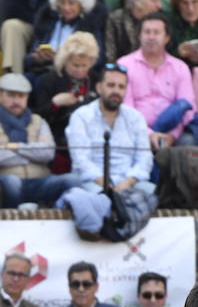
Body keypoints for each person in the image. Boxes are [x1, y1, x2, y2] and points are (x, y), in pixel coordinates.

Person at [58, 65, 156, 236]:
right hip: (92, 183)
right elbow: (81, 161)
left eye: (121, 87)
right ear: (99, 87)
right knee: (94, 199)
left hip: (129, 184)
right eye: (111, 85)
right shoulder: (81, 116)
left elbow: (144, 159)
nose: (116, 91)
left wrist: (126, 184)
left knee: (152, 192)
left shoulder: (136, 118)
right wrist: (107, 186)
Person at [0, 72, 80, 209]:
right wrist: (33, 153)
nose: (16, 101)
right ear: (0, 96)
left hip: (40, 180)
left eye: (21, 96)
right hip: (6, 178)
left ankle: (58, 218)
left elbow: (48, 154)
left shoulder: (39, 121)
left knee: (73, 180)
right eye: (11, 95)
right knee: (12, 182)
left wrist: (16, 147)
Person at [0, 0, 96, 73]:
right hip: (33, 22)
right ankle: (15, 81)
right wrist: (43, 21)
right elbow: (14, 7)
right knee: (11, 26)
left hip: (72, 23)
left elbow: (94, 1)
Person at [119, 13, 197, 148]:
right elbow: (125, 108)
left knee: (188, 143)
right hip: (134, 131)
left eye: (156, 32)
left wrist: (172, 136)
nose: (151, 37)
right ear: (139, 36)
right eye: (147, 32)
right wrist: (148, 134)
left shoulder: (180, 67)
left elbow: (188, 108)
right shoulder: (124, 65)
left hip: (172, 132)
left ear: (167, 38)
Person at [32, 31, 99, 169]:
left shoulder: (97, 81)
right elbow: (36, 116)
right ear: (65, 60)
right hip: (59, 141)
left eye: (84, 65)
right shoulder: (48, 80)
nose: (80, 70)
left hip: (92, 141)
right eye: (75, 65)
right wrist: (55, 103)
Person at [26, 0, 104, 78]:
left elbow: (97, 59)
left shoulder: (90, 26)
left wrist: (62, 58)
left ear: (81, 4)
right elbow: (29, 57)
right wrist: (37, 57)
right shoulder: (47, 21)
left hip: (71, 76)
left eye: (71, 3)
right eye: (62, 2)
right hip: (43, 71)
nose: (66, 7)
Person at [47, 262, 130, 307]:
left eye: (86, 284)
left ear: (96, 287)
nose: (81, 289)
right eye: (75, 284)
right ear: (69, 288)